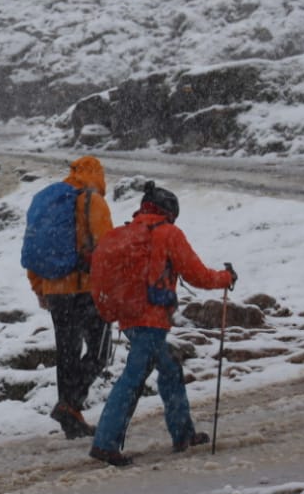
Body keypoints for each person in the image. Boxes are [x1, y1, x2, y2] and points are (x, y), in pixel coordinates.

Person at [88, 184, 236, 467]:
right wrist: (225, 278)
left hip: (129, 316)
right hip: (152, 319)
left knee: (169, 369)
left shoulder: (126, 233)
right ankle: (105, 443)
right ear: (169, 211)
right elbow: (198, 275)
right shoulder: (168, 233)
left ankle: (183, 434)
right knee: (132, 378)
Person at [25, 155, 114, 439]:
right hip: (85, 288)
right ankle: (70, 405)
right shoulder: (93, 201)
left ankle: (71, 420)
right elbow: (107, 249)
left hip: (55, 291)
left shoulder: (48, 201)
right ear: (97, 174)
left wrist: (39, 287)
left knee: (67, 354)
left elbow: (34, 247)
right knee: (100, 352)